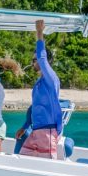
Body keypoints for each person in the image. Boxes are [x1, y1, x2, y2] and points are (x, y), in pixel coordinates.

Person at [16, 19, 62, 159]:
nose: (33, 63)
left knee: (46, 167)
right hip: (36, 131)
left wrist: (39, 32)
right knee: (21, 159)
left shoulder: (51, 78)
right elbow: (34, 107)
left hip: (47, 132)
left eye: (34, 59)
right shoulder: (39, 83)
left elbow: (42, 58)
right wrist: (25, 126)